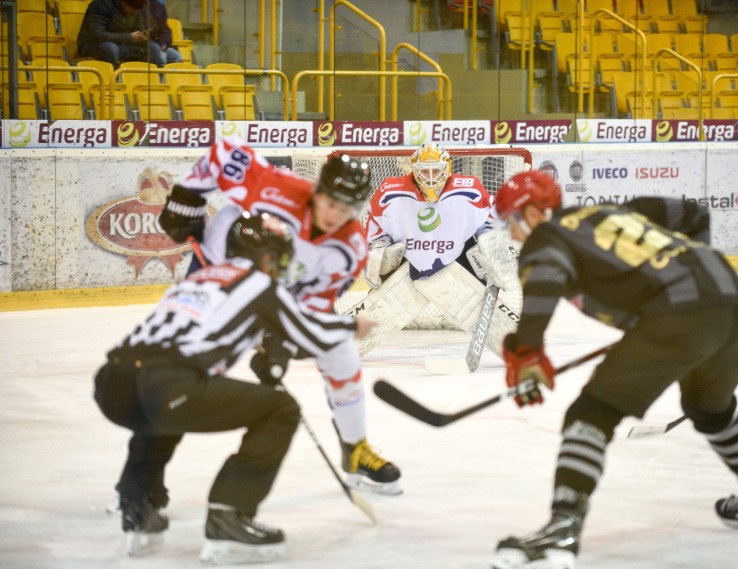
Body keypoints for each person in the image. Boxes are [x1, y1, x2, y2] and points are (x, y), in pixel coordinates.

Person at [489, 171, 738, 569]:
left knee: (591, 413)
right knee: (709, 409)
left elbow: (546, 276)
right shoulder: (609, 211)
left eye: (511, 221)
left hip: (680, 312)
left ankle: (562, 529)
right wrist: (687, 281)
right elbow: (694, 213)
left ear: (532, 212)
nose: (512, 234)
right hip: (728, 298)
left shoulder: (547, 235)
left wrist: (527, 351)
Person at [94, 212, 375, 563]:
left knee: (165, 410)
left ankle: (139, 510)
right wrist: (352, 327)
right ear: (269, 256)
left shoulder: (197, 279)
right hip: (165, 387)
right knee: (280, 409)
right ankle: (229, 517)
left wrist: (269, 354)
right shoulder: (258, 283)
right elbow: (309, 333)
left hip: (111, 385)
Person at [157, 137, 402, 494]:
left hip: (271, 297)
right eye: (330, 203)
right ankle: (144, 482)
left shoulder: (349, 249)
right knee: (185, 373)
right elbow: (221, 152)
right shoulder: (275, 186)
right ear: (317, 190)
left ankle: (355, 448)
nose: (334, 215)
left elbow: (311, 307)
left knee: (341, 351)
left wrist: (278, 346)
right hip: (217, 279)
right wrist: (187, 201)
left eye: (346, 209)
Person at [355, 143, 521, 355]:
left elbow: (491, 217)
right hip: (410, 261)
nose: (431, 177)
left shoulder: (469, 189)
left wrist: (491, 244)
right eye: (425, 171)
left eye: (436, 170)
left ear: (448, 169)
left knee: (487, 248)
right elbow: (376, 226)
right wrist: (378, 246)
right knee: (386, 261)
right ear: (414, 170)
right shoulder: (390, 192)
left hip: (459, 259)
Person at [77, 0, 168, 68]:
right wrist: (129, 37)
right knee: (110, 49)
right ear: (123, 3)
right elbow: (96, 35)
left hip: (122, 45)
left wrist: (144, 35)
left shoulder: (135, 9)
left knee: (153, 48)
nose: (135, 13)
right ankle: (114, 82)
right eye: (132, 10)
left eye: (137, 10)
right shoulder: (101, 4)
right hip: (92, 45)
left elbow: (139, 29)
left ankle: (150, 83)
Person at [144, 0, 183, 64]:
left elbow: (165, 29)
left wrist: (164, 44)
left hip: (159, 43)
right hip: (143, 42)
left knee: (177, 57)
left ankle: (171, 74)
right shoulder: (137, 5)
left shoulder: (158, 6)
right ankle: (160, 73)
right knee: (161, 57)